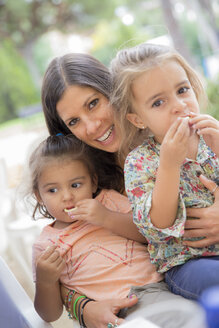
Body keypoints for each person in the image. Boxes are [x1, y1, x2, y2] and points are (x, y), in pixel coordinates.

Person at [40, 52, 219, 328]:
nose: (91, 126)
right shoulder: (85, 181)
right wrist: (81, 305)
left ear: (116, 92)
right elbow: (70, 252)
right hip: (173, 282)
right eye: (73, 122)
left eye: (94, 104)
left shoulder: (184, 130)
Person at [110, 42, 219, 300]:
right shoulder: (140, 162)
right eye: (158, 102)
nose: (180, 105)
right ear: (138, 119)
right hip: (188, 264)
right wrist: (169, 164)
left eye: (182, 90)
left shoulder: (212, 136)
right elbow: (158, 225)